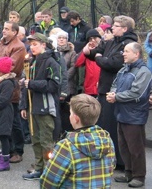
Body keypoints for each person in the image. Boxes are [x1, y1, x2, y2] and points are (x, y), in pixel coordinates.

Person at [86, 15, 137, 169]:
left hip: (117, 90)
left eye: (115, 25)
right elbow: (93, 53)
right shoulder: (112, 41)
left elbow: (114, 63)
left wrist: (101, 58)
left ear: (124, 28)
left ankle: (120, 161)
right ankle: (108, 157)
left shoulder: (128, 44)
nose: (112, 28)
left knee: (113, 126)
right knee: (104, 125)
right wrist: (97, 54)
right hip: (104, 87)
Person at [40, 94, 115, 189]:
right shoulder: (107, 140)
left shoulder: (66, 145)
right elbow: (111, 169)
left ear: (76, 118)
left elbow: (48, 182)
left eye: (70, 113)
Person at [107, 42, 152, 188]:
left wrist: (117, 97)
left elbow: (137, 93)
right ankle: (129, 173)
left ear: (136, 54)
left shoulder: (143, 72)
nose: (123, 54)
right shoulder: (124, 69)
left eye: (126, 51)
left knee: (136, 148)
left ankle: (139, 176)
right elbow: (115, 83)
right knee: (124, 146)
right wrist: (113, 93)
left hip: (135, 116)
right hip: (121, 113)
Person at [0, 21, 27, 164]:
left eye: (7, 29)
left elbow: (11, 65)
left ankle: (17, 150)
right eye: (3, 28)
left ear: (14, 32)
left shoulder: (19, 47)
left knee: (13, 122)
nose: (3, 31)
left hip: (10, 89)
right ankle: (4, 152)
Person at [20, 33, 61, 180]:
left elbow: (54, 85)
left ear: (44, 45)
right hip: (33, 107)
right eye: (31, 45)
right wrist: (23, 106)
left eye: (35, 44)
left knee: (46, 140)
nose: (32, 47)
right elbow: (26, 86)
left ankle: (49, 169)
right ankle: (38, 167)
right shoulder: (32, 62)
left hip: (45, 107)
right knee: (35, 139)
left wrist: (32, 84)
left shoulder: (51, 62)